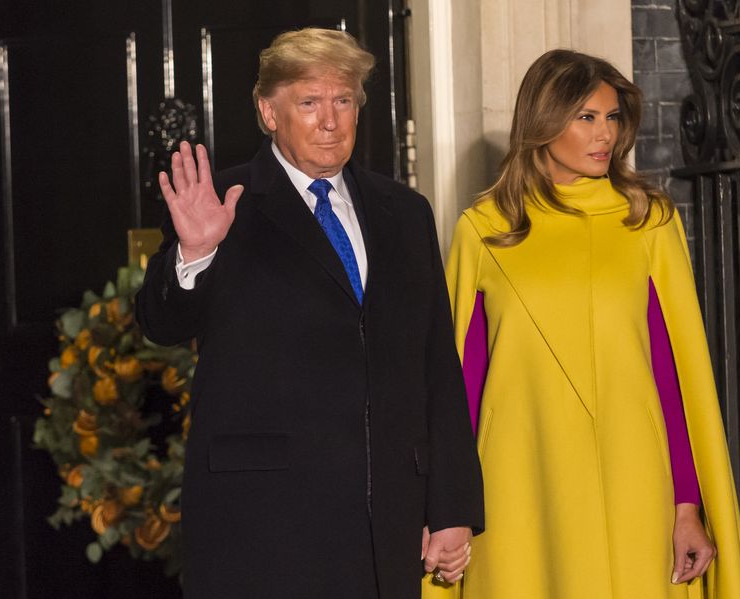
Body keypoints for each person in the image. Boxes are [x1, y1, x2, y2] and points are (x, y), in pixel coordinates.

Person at [136, 28, 483, 599]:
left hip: (386, 524)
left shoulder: (405, 212)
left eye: (343, 100)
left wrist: (451, 506)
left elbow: (436, 365)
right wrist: (195, 252)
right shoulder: (222, 202)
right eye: (309, 102)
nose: (330, 120)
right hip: (263, 525)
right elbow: (161, 322)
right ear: (267, 112)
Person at [426, 50, 740, 598]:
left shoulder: (646, 218)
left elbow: (673, 376)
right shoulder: (484, 229)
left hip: (636, 481)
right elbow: (462, 385)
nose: (605, 134)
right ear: (543, 122)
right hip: (521, 485)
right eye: (586, 117)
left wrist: (687, 504)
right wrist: (449, 508)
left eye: (612, 117)